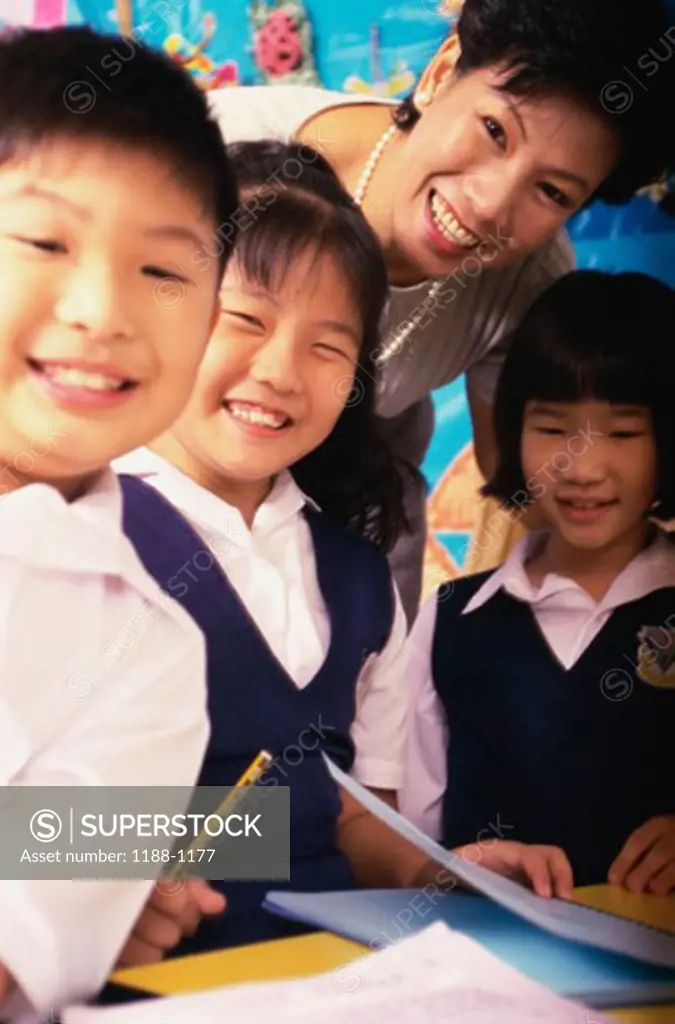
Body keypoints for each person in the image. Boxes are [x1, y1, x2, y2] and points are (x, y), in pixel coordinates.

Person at [113, 142, 576, 965]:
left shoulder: (359, 579)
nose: (281, 371)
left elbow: (356, 818)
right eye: (244, 320)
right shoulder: (65, 534)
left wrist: (439, 873)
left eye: (328, 347)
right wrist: (97, 879)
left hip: (337, 986)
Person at [206, 0, 675, 623]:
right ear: (440, 70)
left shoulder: (527, 282)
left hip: (352, 516)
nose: (488, 205)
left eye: (552, 191)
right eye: (494, 131)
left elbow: (524, 480)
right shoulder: (214, 157)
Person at [0, 25, 237, 1020]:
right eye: (46, 241)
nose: (102, 309)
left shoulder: (157, 649)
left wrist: (120, 878)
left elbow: (29, 931)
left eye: (165, 273)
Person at [400, 270, 675, 894]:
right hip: (485, 964)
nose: (581, 468)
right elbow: (403, 832)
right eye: (551, 429)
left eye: (624, 433)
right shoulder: (451, 621)